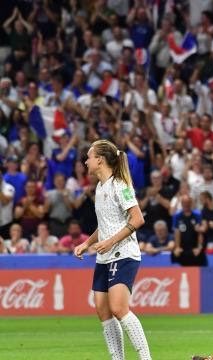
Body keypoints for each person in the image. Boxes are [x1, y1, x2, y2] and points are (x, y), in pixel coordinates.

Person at [73, 139, 152, 360]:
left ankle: (146, 358)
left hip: (123, 253)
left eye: (89, 156)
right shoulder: (99, 187)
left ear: (99, 160)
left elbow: (137, 219)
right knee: (103, 310)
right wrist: (87, 243)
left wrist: (110, 242)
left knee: (119, 308)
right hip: (104, 256)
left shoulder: (120, 185)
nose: (86, 161)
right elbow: (106, 225)